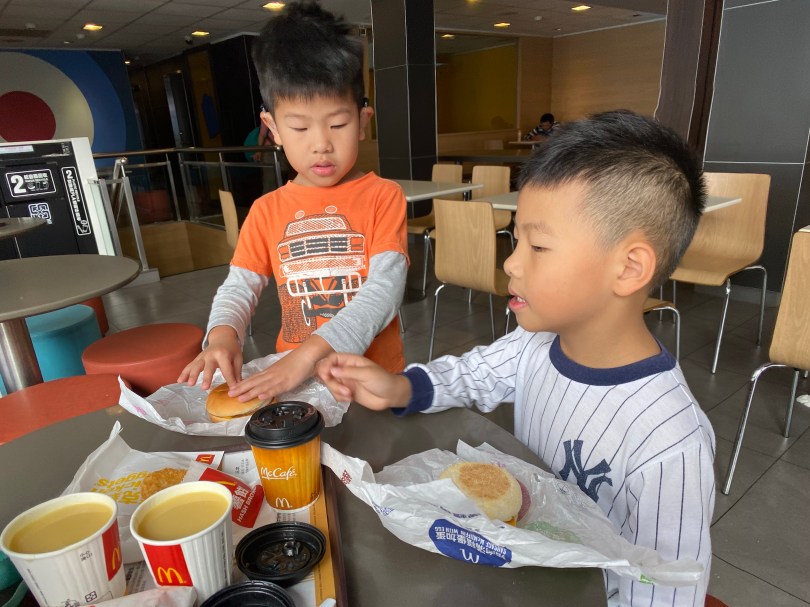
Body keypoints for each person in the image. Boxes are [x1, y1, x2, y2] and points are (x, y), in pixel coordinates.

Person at [316, 110, 715, 607]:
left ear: (629, 268)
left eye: (538, 246)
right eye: (517, 239)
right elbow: (472, 375)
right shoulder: (534, 346)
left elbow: (668, 586)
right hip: (521, 573)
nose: (511, 262)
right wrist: (401, 388)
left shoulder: (669, 442)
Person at [178, 1, 408, 402]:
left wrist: (307, 356)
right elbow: (239, 286)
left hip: (372, 381)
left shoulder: (383, 197)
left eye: (338, 124)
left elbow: (383, 292)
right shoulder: (266, 211)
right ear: (273, 128)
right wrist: (222, 335)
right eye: (300, 127)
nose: (321, 144)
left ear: (362, 122)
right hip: (297, 382)